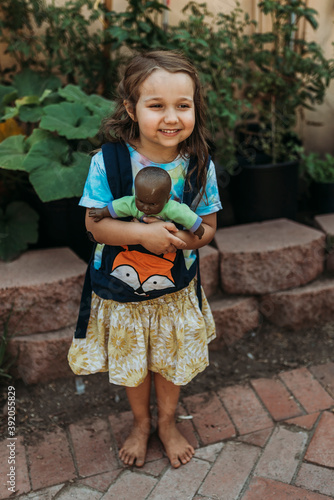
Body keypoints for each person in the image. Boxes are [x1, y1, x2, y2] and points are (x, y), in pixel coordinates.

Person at [68, 50, 222, 469]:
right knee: (135, 362)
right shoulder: (109, 163)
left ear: (194, 108)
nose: (171, 117)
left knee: (169, 362)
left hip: (174, 291)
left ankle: (168, 423)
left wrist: (182, 242)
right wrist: (142, 234)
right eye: (156, 105)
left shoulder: (199, 166)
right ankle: (140, 423)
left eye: (182, 105)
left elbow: (207, 229)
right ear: (130, 109)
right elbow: (95, 225)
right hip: (123, 293)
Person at [88, 166, 205, 239]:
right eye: (141, 201)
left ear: (167, 199)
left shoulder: (172, 208)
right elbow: (119, 206)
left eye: (153, 204)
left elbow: (185, 215)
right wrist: (103, 212)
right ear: (136, 194)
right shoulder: (133, 203)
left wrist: (197, 227)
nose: (145, 208)